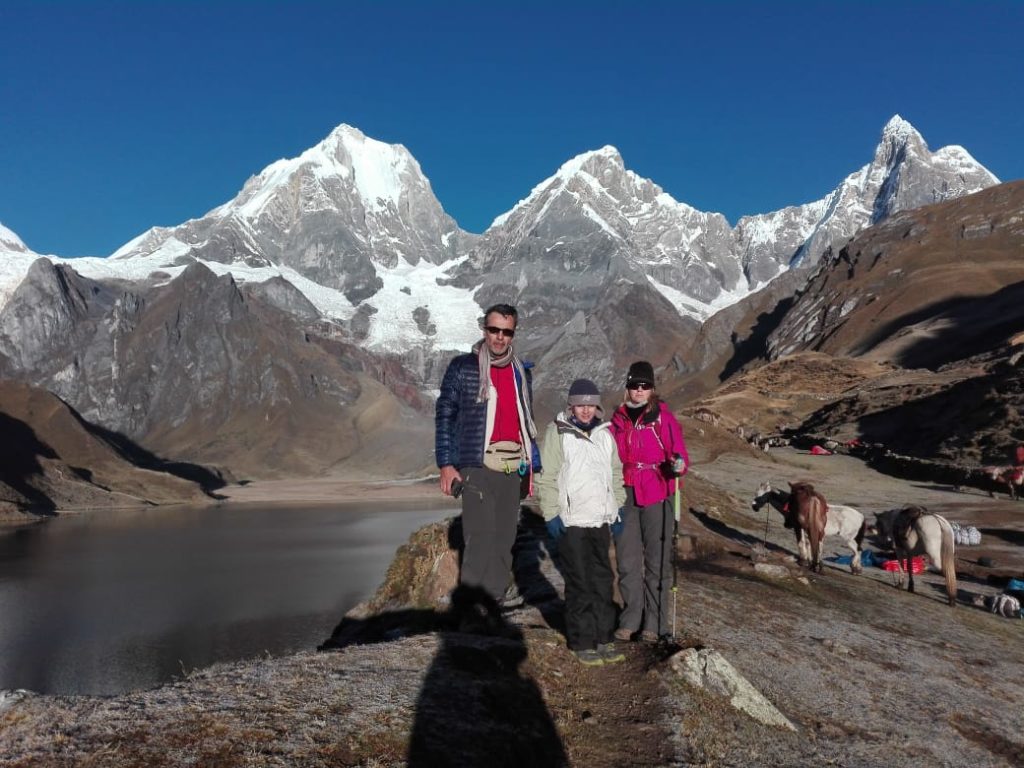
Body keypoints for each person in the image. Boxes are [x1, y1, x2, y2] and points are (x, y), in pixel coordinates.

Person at [435, 303, 541, 609]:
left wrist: (531, 465)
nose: (500, 337)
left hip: (513, 465)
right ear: (484, 329)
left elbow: (526, 419)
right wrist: (446, 463)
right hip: (476, 463)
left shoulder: (521, 371)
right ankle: (468, 604)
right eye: (494, 330)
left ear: (513, 334)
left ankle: (495, 600)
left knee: (505, 536)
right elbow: (444, 415)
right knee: (479, 536)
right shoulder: (463, 368)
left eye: (507, 332)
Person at [535, 378, 626, 666]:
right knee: (579, 580)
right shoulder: (558, 433)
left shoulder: (605, 433)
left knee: (603, 579)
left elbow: (615, 473)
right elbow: (547, 477)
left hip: (600, 519)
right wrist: (551, 514)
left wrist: (618, 509)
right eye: (580, 405)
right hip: (571, 521)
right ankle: (582, 641)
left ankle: (604, 637)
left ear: (596, 406)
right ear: (571, 406)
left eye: (590, 404)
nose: (585, 410)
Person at [611, 361, 689, 643]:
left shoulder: (663, 419)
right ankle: (631, 618)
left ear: (652, 388)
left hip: (657, 490)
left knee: (657, 562)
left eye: (645, 385)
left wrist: (679, 465)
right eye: (634, 385)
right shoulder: (618, 419)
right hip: (626, 491)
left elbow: (680, 455)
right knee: (627, 560)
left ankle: (655, 625)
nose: (639, 390)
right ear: (628, 388)